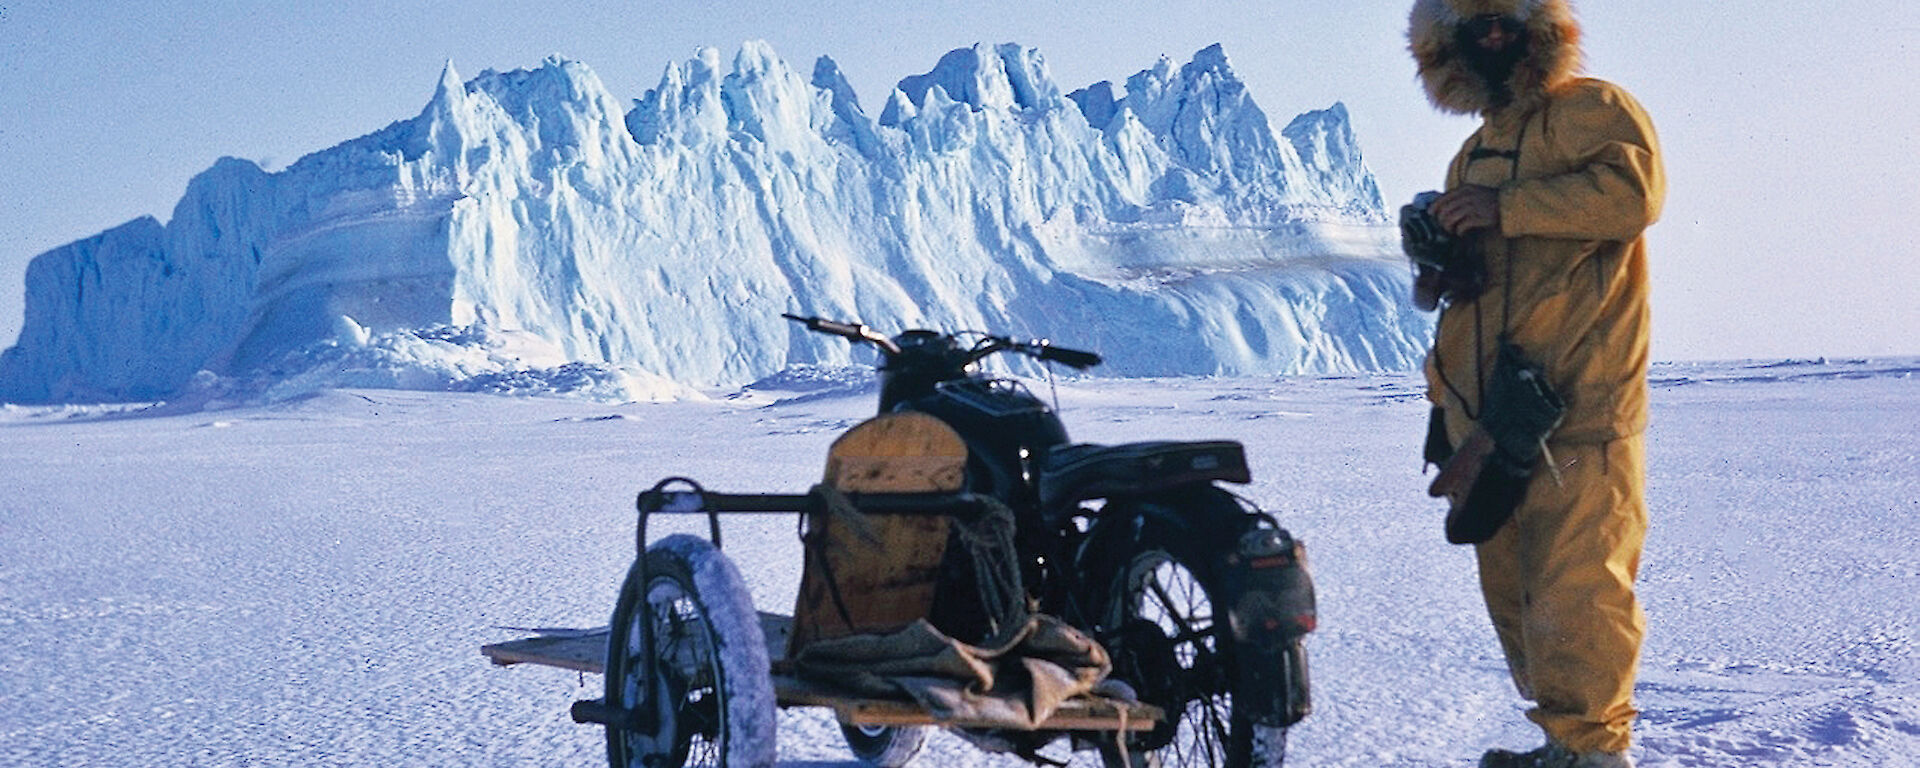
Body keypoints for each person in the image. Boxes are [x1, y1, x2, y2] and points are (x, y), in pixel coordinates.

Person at [1406, 1, 1665, 767]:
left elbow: (1633, 197)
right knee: (1517, 590)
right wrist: (1441, 253)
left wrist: (1506, 207)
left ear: (1539, 30)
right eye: (1472, 26)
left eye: (1504, 20)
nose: (1491, 36)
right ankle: (1565, 742)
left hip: (1579, 404)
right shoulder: (1474, 151)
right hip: (1491, 414)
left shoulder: (1593, 110)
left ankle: (1596, 750)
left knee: (1581, 591)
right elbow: (1468, 292)